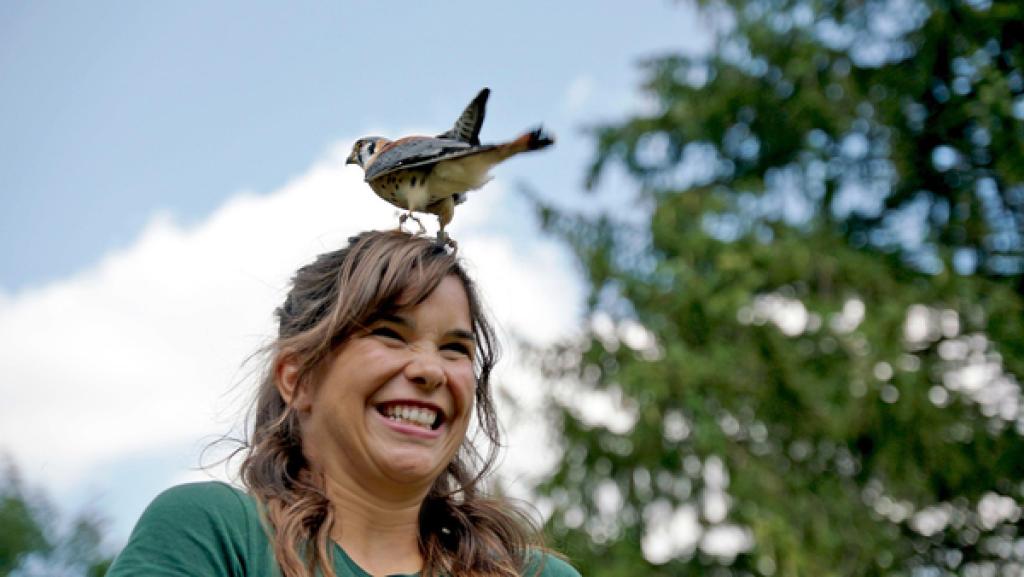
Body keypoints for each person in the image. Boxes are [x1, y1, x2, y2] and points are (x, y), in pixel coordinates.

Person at [106, 230, 580, 577]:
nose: (430, 370)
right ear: (298, 379)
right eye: (390, 335)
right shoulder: (214, 534)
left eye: (455, 349)